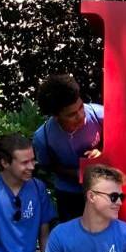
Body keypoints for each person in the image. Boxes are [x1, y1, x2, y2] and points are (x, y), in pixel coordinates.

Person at [32, 74, 105, 221]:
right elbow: (48, 167)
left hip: (104, 189)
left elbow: (123, 144)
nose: (81, 115)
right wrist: (76, 173)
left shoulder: (101, 116)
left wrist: (103, 153)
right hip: (69, 195)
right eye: (72, 115)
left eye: (81, 107)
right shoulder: (43, 138)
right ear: (56, 116)